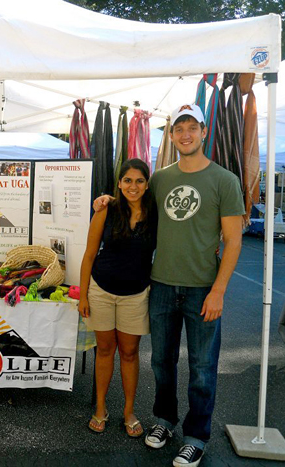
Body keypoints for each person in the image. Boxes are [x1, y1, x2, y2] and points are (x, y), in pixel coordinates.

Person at [94, 104, 244, 467]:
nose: (186, 134)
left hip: (202, 289)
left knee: (203, 367)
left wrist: (219, 290)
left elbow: (234, 240)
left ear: (204, 131)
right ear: (171, 135)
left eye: (192, 127)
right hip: (160, 285)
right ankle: (164, 421)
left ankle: (196, 436)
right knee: (161, 362)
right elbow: (134, 198)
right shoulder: (159, 178)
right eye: (179, 128)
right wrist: (108, 200)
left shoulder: (225, 180)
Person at [79, 158, 156, 439]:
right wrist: (83, 294)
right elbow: (89, 255)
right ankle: (100, 408)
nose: (132, 186)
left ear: (147, 184)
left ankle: (129, 411)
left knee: (130, 353)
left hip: (136, 294)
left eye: (139, 181)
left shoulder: (155, 212)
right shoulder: (107, 209)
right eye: (127, 180)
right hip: (101, 289)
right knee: (104, 350)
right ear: (119, 183)